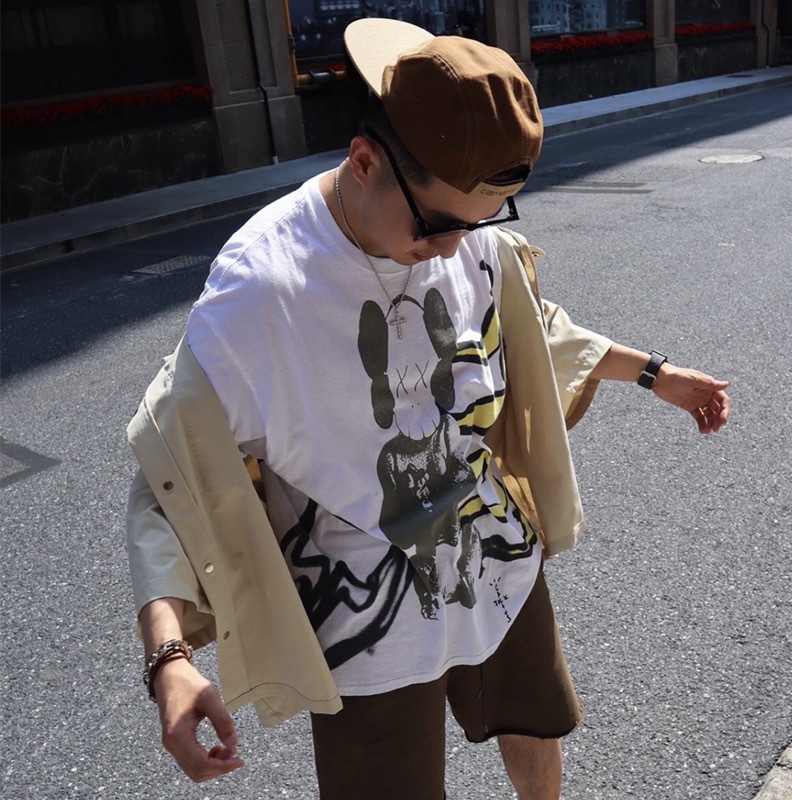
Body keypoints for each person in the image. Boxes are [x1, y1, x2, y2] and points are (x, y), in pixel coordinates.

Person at [126, 18, 731, 800]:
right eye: (438, 224)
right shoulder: (258, 293)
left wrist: (653, 373)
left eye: (483, 220)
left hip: (494, 548)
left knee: (534, 722)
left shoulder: (467, 232)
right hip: (364, 613)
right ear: (365, 161)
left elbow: (526, 327)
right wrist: (169, 659)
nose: (455, 247)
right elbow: (170, 476)